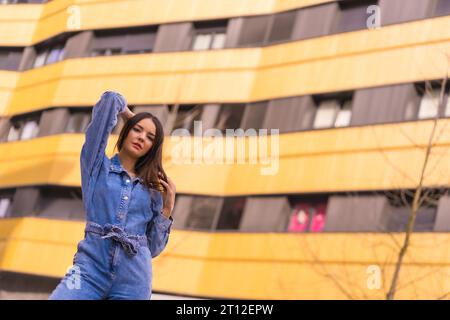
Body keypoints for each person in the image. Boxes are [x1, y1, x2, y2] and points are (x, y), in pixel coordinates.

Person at [48, 91, 176, 300]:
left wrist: (167, 208)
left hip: (134, 280)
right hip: (88, 270)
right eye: (137, 130)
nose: (142, 137)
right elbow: (110, 100)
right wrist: (128, 117)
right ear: (125, 131)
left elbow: (152, 248)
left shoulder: (152, 189)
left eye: (150, 137)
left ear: (153, 147)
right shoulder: (97, 167)